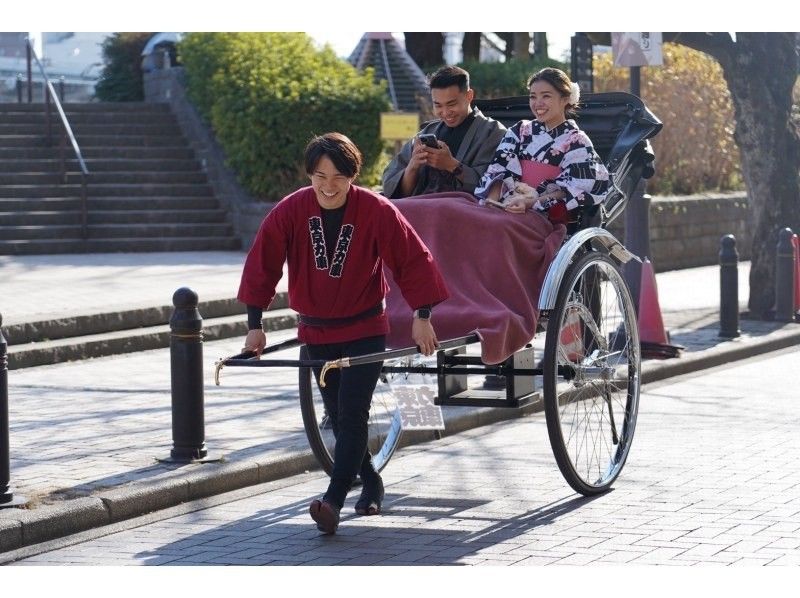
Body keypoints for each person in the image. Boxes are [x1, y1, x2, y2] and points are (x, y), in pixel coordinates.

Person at [237, 132, 449, 535]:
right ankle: (371, 482)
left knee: (352, 414)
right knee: (339, 419)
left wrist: (422, 315)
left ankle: (333, 500)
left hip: (365, 330)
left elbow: (412, 259)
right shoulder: (291, 210)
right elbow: (262, 263)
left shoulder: (375, 208)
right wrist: (254, 326)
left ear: (353, 175)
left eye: (338, 177)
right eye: (320, 176)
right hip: (314, 334)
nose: (328, 186)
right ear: (309, 174)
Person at [474, 67, 609, 224]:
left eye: (546, 96)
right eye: (533, 97)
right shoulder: (520, 130)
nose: (538, 103)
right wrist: (491, 205)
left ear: (565, 99)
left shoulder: (577, 141)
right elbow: (499, 169)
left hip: (542, 214)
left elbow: (574, 189)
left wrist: (531, 202)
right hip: (506, 205)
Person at [382, 65, 506, 198]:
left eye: (452, 104)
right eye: (438, 105)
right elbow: (393, 190)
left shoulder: (494, 133)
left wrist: (452, 165)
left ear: (469, 95)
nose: (446, 113)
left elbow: (494, 188)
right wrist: (412, 167)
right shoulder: (426, 133)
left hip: (462, 213)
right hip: (418, 208)